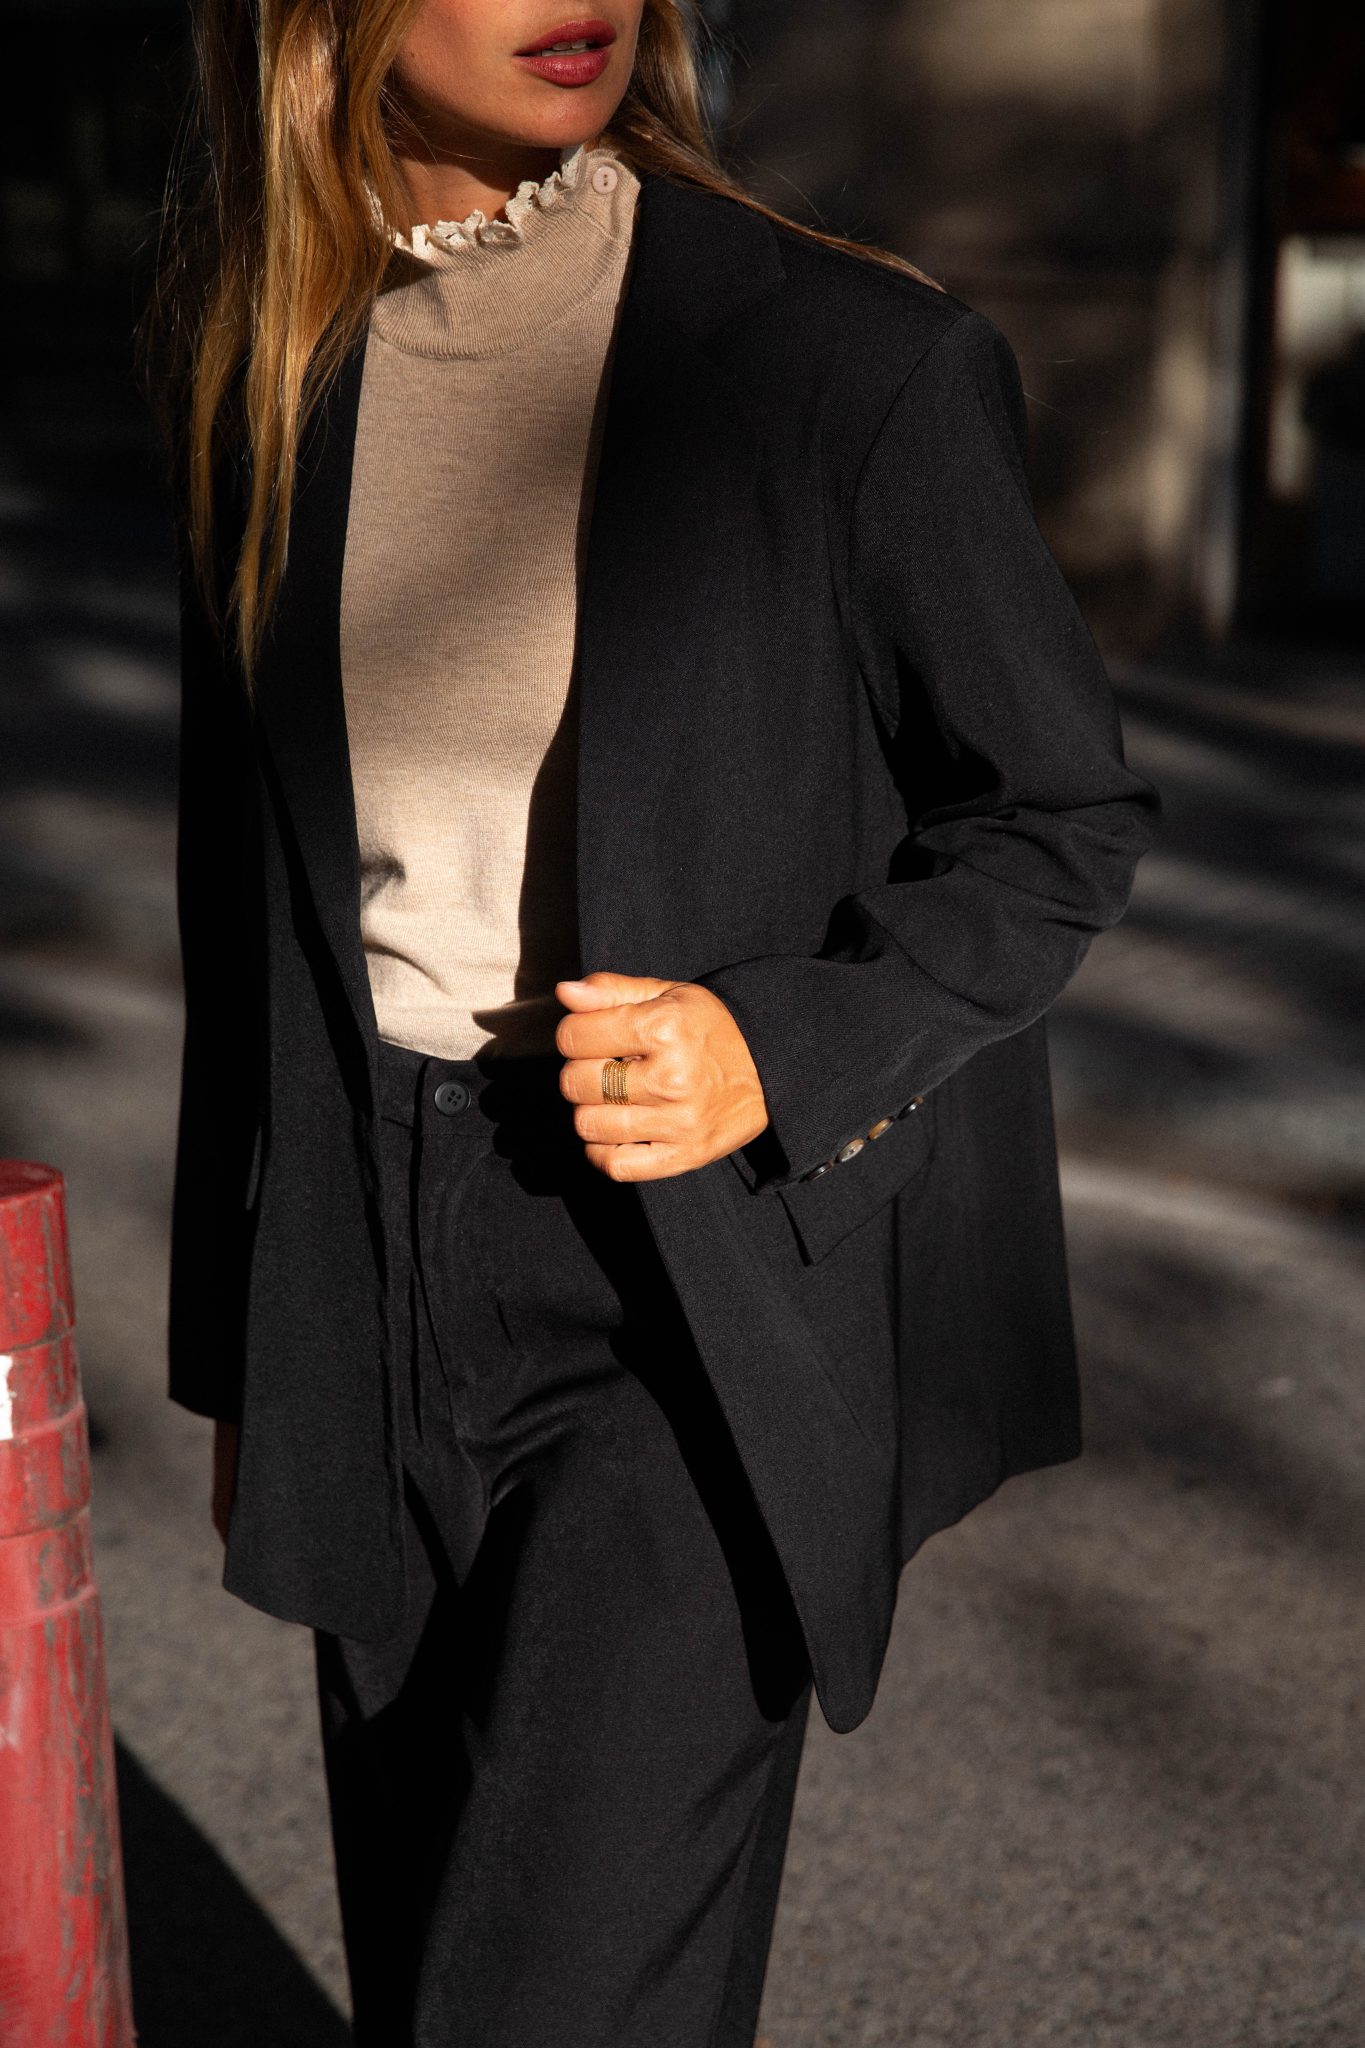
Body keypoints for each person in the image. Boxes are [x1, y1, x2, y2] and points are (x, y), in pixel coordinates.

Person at [149, 2, 1160, 2041]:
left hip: (685, 1301)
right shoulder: (272, 367)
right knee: (435, 1964)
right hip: (368, 1270)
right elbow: (236, 900)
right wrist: (242, 1349)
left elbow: (1057, 816)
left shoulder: (845, 361)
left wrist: (778, 1047)